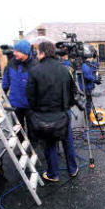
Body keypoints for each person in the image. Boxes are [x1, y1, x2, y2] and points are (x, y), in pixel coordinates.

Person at [26, 41, 78, 181]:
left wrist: (36, 110)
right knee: (68, 141)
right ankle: (73, 169)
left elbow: (30, 96)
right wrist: (67, 106)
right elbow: (73, 91)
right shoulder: (64, 69)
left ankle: (53, 174)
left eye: (38, 52)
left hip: (44, 114)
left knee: (49, 144)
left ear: (43, 53)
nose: (36, 55)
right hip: (63, 112)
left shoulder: (35, 71)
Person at [2, 39, 38, 146]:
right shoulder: (11, 63)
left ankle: (33, 148)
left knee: (33, 129)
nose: (14, 53)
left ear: (25, 52)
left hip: (31, 105)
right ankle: (21, 148)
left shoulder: (35, 65)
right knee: (18, 128)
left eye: (17, 51)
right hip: (16, 104)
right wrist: (3, 95)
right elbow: (5, 82)